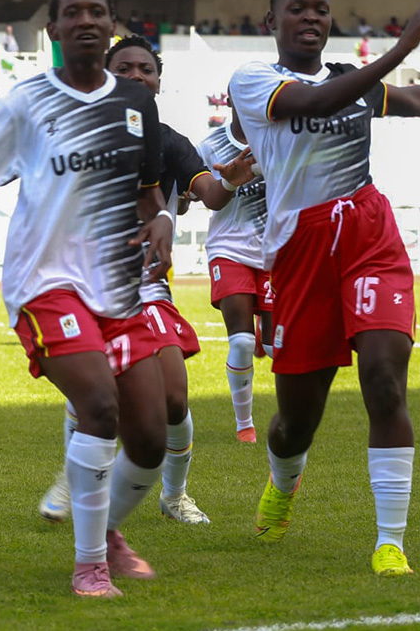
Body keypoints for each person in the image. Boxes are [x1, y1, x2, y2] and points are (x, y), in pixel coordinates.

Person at [229, 0, 420, 578]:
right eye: (298, 9)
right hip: (301, 250)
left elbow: (408, 100)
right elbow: (316, 103)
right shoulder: (254, 81)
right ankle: (284, 484)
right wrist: (401, 48)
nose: (312, 18)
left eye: (322, 9)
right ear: (271, 23)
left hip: (367, 233)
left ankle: (391, 542)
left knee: (384, 379)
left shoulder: (348, 80)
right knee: (294, 422)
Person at [0, 0, 174, 599]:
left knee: (151, 437)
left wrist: (162, 221)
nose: (85, 21)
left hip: (119, 286)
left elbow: (146, 194)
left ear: (112, 23)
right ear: (54, 30)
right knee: (99, 407)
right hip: (46, 284)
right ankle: (89, 566)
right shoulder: (25, 101)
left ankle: (106, 533)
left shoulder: (137, 105)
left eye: (96, 11)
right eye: (72, 13)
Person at [37, 34, 256, 527]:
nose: (137, 76)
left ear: (159, 80)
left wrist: (232, 179)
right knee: (95, 393)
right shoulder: (78, 133)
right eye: (125, 67)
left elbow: (211, 195)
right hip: (81, 282)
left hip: (145, 285)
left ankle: (174, 496)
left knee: (174, 397)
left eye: (146, 69)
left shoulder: (172, 142)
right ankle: (75, 478)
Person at [198, 94, 271, 444]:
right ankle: (245, 425)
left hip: (276, 252)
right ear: (232, 102)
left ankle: (265, 333)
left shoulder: (280, 139)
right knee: (241, 342)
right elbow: (193, 192)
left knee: (276, 348)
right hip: (229, 248)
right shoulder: (211, 145)